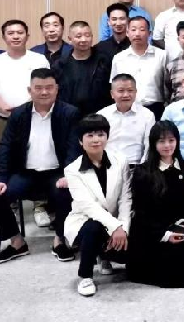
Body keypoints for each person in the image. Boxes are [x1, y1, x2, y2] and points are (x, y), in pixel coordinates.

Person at [0, 68, 80, 264]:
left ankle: (60, 240)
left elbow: (74, 148)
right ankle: (17, 242)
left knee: (68, 191)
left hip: (57, 173)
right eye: (38, 88)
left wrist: (69, 175)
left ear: (57, 89)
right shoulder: (18, 114)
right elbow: (5, 147)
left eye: (49, 87)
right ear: (30, 91)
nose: (44, 92)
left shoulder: (70, 113)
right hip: (26, 173)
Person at [127, 121, 184, 288]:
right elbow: (141, 211)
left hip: (179, 223)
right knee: (170, 256)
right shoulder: (143, 172)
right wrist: (165, 234)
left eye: (171, 140)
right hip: (152, 228)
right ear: (153, 144)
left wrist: (183, 225)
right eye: (161, 141)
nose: (167, 145)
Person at [63, 115, 132, 297]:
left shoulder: (120, 161)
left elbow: (125, 198)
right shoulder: (72, 170)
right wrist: (115, 226)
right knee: (93, 227)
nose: (96, 140)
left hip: (116, 220)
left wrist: (123, 228)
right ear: (81, 141)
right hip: (85, 221)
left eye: (101, 134)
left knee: (130, 257)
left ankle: (105, 255)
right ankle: (85, 276)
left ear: (107, 137)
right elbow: (88, 206)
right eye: (90, 135)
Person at [0, 19, 50, 148]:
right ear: (4, 37)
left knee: (34, 157)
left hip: (34, 119)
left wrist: (23, 111)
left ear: (27, 36)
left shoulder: (39, 60)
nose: (16, 36)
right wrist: (5, 108)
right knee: (3, 157)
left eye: (20, 33)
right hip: (3, 120)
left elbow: (46, 89)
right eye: (11, 33)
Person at [110, 16, 167, 118]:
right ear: (127, 33)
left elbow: (168, 85)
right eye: (133, 30)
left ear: (149, 33)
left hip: (156, 108)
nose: (137, 34)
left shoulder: (162, 55)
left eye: (142, 29)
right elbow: (114, 85)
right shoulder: (119, 58)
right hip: (127, 109)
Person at [52, 21, 112, 115]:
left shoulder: (104, 61)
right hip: (69, 116)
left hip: (99, 115)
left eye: (87, 35)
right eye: (78, 36)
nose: (83, 40)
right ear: (70, 39)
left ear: (92, 37)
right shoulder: (60, 64)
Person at [97, 74, 156, 165]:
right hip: (108, 166)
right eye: (121, 91)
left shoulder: (147, 115)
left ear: (136, 92)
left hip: (136, 166)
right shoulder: (102, 115)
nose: (126, 95)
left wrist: (143, 169)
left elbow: (149, 146)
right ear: (112, 94)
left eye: (130, 90)